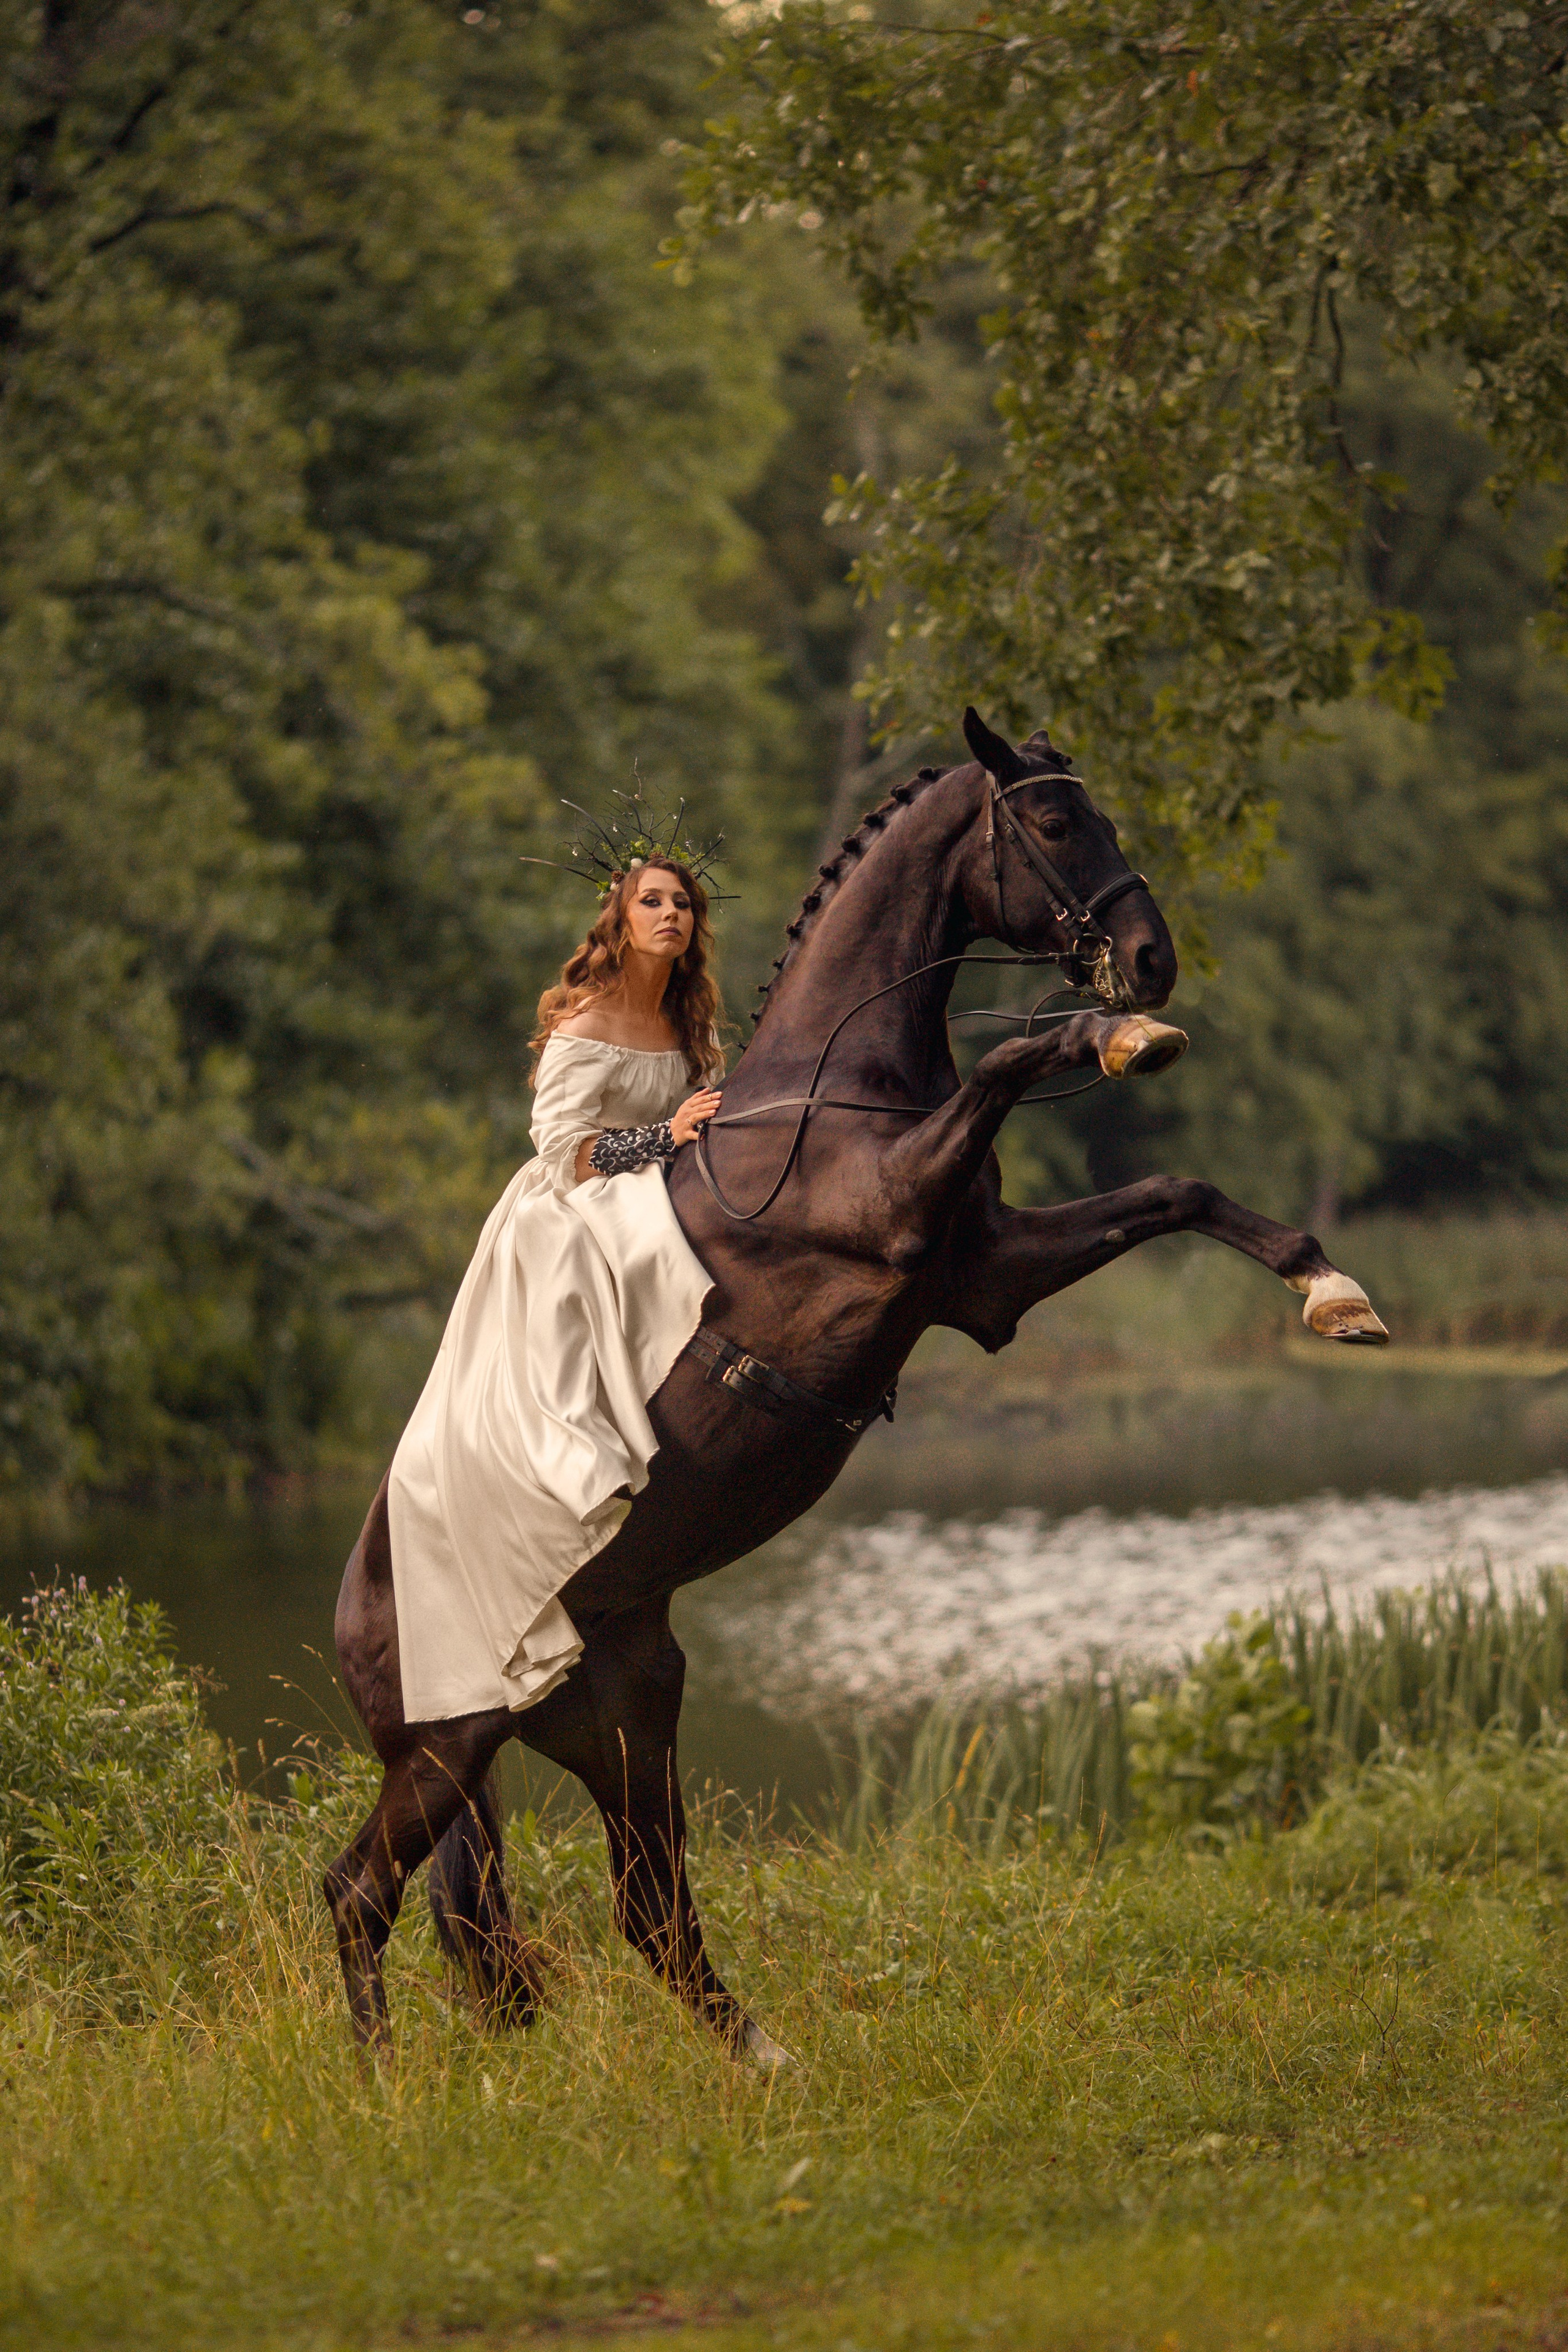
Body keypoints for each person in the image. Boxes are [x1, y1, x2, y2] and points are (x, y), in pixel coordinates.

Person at [387, 858, 726, 1724]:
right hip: (571, 1202)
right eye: (652, 901)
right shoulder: (588, 1020)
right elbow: (560, 1150)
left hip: (657, 1179)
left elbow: (707, 1119)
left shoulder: (689, 1022)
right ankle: (579, 1459)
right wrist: (664, 1133)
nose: (671, 914)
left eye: (683, 903)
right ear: (619, 918)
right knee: (623, 1253)